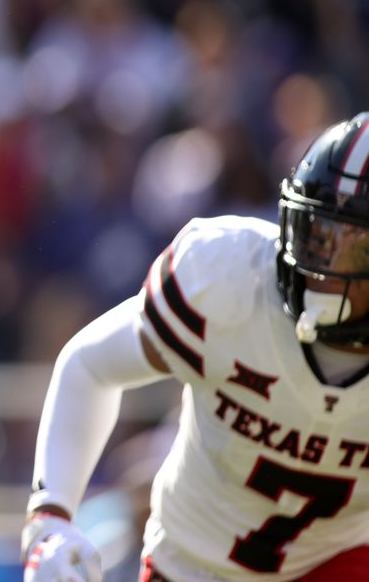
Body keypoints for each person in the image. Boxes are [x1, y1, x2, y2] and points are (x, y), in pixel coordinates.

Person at [21, 113, 369, 582]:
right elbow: (90, 366)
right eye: (317, 235)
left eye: (357, 248)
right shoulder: (229, 278)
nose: (323, 267)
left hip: (337, 560)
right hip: (192, 565)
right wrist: (50, 518)